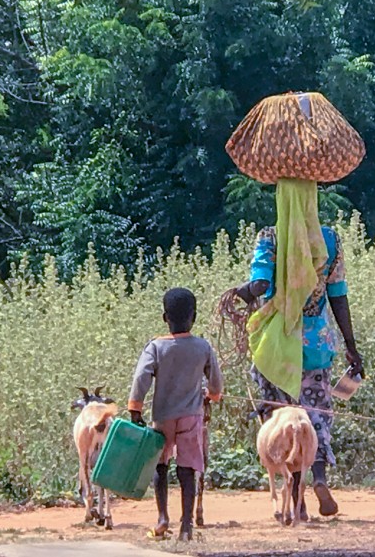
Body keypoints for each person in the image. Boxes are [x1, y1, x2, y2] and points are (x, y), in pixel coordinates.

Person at [236, 224, 363, 519]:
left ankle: (296, 502)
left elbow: (260, 284)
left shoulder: (271, 236)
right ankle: (318, 477)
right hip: (315, 344)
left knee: (282, 420)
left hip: (277, 347)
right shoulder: (329, 239)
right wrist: (351, 345)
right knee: (314, 416)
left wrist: (244, 291)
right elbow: (338, 294)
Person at [128, 287, 223, 541]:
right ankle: (186, 526)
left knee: (161, 464)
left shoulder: (156, 347)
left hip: (163, 416)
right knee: (188, 467)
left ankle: (162, 518)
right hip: (191, 416)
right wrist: (211, 397)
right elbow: (215, 384)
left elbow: (141, 378)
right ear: (194, 316)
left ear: (164, 317)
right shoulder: (202, 346)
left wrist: (135, 409)